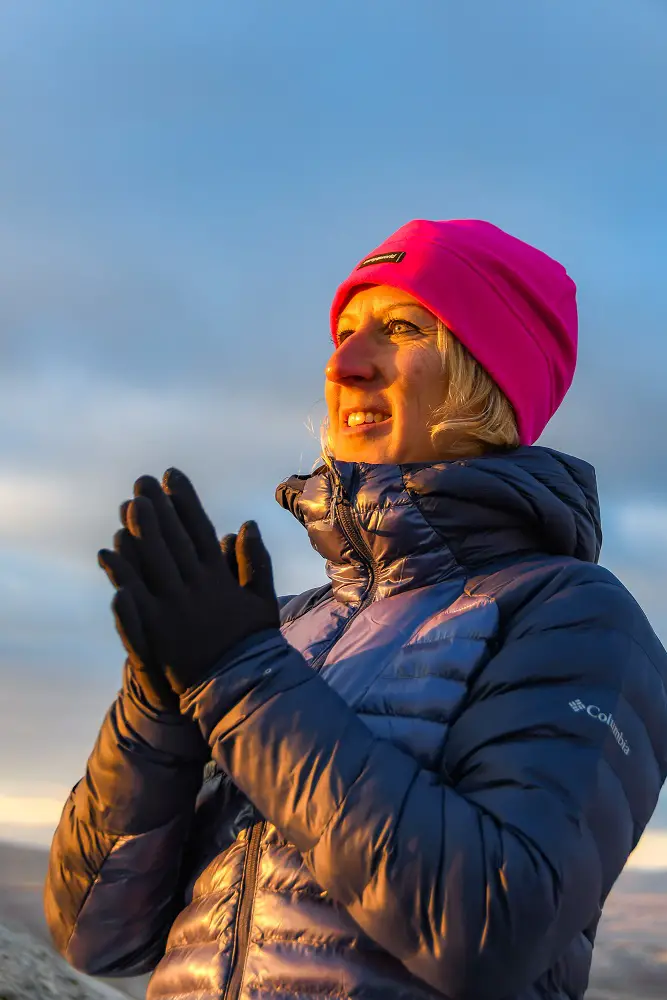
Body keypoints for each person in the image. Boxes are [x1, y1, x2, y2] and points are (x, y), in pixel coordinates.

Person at [44, 219, 667, 1000]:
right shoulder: (278, 630)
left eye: (401, 328)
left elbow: (492, 927)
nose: (343, 364)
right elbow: (95, 935)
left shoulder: (572, 617)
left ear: (489, 378)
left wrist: (240, 682)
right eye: (342, 333)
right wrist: (157, 705)